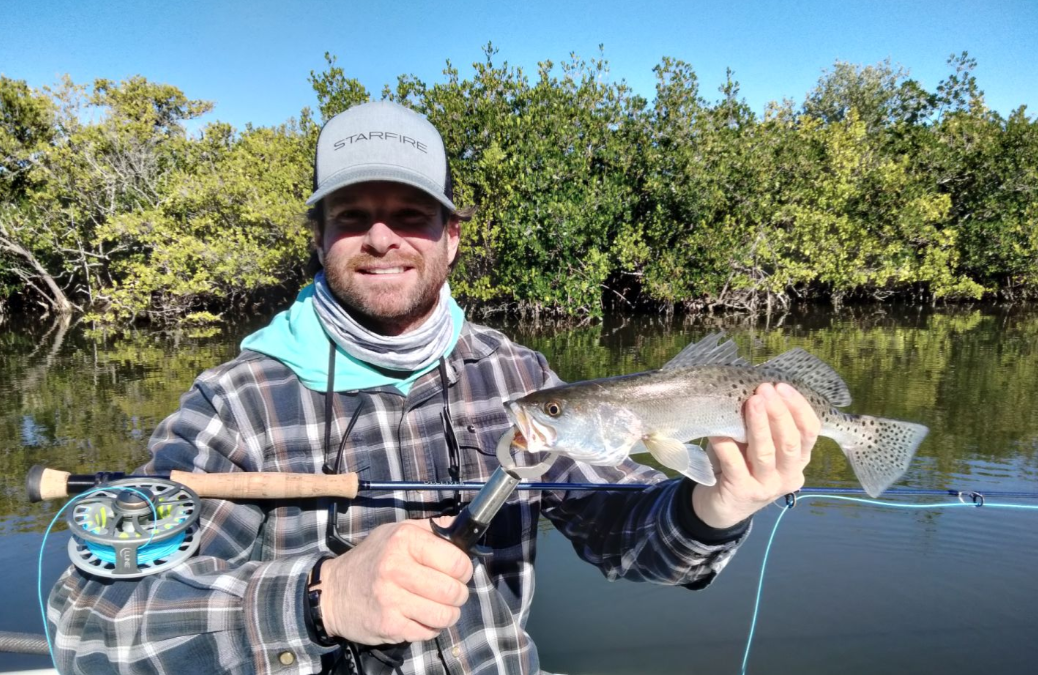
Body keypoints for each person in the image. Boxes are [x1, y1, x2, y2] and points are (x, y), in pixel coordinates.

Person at [48, 100, 819, 675]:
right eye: (353, 215)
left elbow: (629, 536)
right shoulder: (236, 402)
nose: (382, 237)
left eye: (411, 215)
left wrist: (716, 505)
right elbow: (94, 623)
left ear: (451, 237)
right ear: (319, 237)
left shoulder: (517, 377)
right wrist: (318, 598)